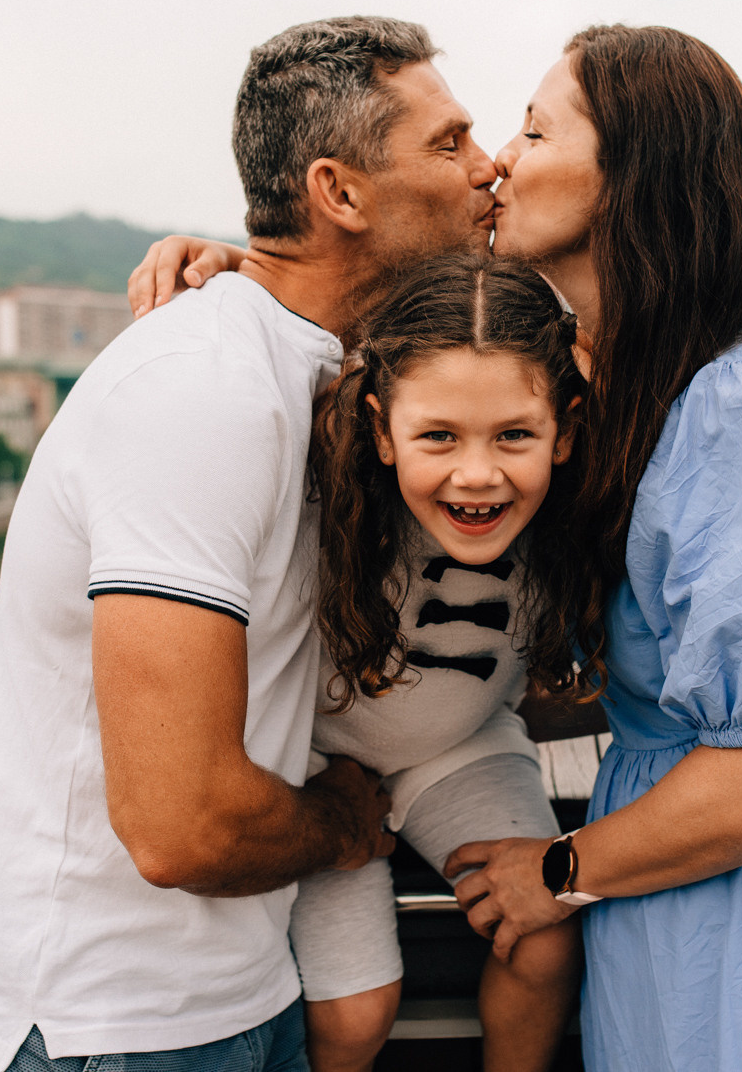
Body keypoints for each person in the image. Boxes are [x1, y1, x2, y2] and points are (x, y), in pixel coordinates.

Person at [132, 25, 742, 1070]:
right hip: (670, 881)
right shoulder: (601, 375)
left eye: (532, 132)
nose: (498, 161)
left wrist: (556, 872)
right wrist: (242, 273)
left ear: (630, 178)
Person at [0, 15, 499, 1072]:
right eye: (449, 143)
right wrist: (344, 822)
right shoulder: (202, 392)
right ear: (339, 193)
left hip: (228, 1002)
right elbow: (183, 826)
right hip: (87, 1029)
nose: (486, 167)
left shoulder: (312, 368)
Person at [294, 254, 587, 1072]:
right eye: (438, 436)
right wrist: (215, 267)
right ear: (380, 429)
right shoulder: (321, 477)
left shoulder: (580, 501)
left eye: (515, 435)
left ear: (564, 429)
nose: (477, 474)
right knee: (353, 1012)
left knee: (543, 939)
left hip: (460, 744)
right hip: (314, 766)